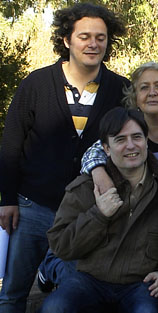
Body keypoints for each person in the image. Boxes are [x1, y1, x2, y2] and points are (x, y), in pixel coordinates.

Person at [0, 3, 128, 311]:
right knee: (13, 293)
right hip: (33, 206)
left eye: (101, 37)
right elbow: (11, 144)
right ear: (66, 40)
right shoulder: (36, 84)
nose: (93, 43)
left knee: (78, 291)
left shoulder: (120, 88)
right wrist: (7, 199)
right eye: (84, 36)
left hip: (87, 213)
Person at [37, 61, 158, 290]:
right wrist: (98, 171)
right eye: (144, 87)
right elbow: (93, 151)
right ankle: (53, 264)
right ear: (135, 97)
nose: (152, 93)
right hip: (133, 212)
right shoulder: (126, 128)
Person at [40, 107, 158, 313]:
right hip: (88, 280)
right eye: (120, 139)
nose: (130, 145)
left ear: (146, 141)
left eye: (137, 137)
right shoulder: (86, 187)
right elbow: (60, 244)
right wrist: (99, 215)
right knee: (55, 307)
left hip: (139, 284)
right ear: (106, 148)